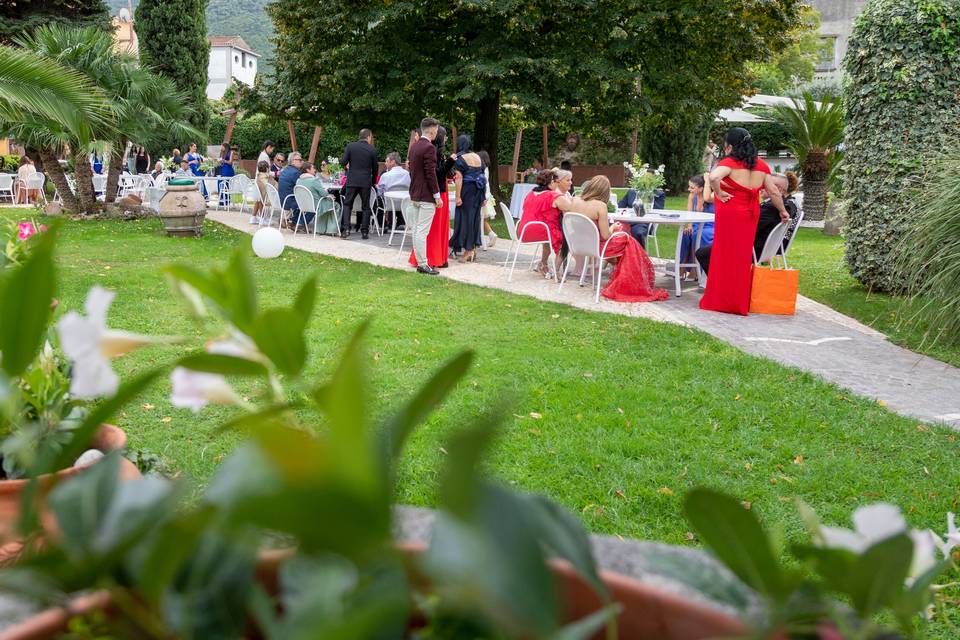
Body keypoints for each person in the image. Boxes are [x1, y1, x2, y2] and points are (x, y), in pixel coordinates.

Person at [697, 127, 789, 315]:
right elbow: (772, 191)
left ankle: (720, 300)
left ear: (730, 146)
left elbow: (713, 176)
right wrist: (782, 210)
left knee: (723, 256)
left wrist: (719, 192)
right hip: (749, 215)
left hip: (730, 213)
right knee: (741, 258)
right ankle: (738, 302)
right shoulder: (762, 166)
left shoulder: (729, 163)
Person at [567, 176, 669, 302]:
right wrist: (614, 228)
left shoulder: (575, 200)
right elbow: (605, 236)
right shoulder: (600, 206)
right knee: (629, 241)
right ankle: (630, 283)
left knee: (626, 243)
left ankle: (625, 279)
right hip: (596, 246)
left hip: (578, 244)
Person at [408, 125, 455, 269]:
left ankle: (438, 257)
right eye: (445, 136)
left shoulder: (423, 149)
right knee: (430, 228)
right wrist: (450, 163)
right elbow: (434, 174)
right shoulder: (430, 150)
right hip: (435, 192)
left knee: (436, 227)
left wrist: (449, 166)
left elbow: (445, 173)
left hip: (437, 191)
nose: (446, 139)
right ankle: (429, 260)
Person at [516, 169, 573, 277]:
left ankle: (543, 264)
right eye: (557, 182)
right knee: (565, 239)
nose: (557, 184)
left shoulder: (531, 193)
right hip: (539, 230)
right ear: (551, 182)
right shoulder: (552, 195)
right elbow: (571, 207)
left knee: (549, 235)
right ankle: (556, 271)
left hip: (523, 230)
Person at [406, 117, 443, 275]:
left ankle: (422, 263)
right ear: (432, 130)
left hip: (414, 193)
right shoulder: (429, 148)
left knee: (416, 230)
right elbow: (430, 174)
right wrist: (437, 195)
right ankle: (423, 264)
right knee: (421, 231)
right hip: (426, 196)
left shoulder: (414, 147)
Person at [450, 135, 486, 263]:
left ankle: (468, 250)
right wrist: (484, 195)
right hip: (478, 191)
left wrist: (458, 196)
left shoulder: (460, 159)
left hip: (467, 191)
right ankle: (473, 248)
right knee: (474, 219)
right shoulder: (478, 157)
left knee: (465, 220)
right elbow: (482, 176)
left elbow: (459, 178)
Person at [339, 128, 379, 239]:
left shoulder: (350, 146)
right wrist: (373, 182)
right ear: (369, 137)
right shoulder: (372, 150)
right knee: (366, 207)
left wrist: (347, 167)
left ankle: (346, 229)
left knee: (347, 205)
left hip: (352, 180)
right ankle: (364, 232)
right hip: (365, 182)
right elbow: (375, 169)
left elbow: (343, 162)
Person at [754, 171, 799, 259]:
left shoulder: (773, 207)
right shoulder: (788, 204)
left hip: (758, 248)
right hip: (774, 247)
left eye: (765, 185)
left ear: (778, 189)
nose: (761, 187)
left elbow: (751, 226)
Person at [678, 174, 714, 281]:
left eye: (692, 187)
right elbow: (689, 213)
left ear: (701, 188)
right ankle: (682, 267)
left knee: (696, 235)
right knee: (686, 233)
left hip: (710, 225)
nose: (689, 190)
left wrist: (708, 180)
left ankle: (695, 270)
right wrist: (689, 225)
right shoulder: (692, 196)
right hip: (696, 224)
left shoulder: (710, 197)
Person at [295, 162, 340, 234]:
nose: (315, 170)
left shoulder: (298, 180)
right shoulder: (314, 180)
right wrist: (329, 195)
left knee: (328, 203)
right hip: (317, 205)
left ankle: (320, 230)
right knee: (336, 205)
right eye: (313, 168)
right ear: (308, 170)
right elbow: (324, 193)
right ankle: (331, 230)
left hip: (304, 205)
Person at [278, 152, 304, 228]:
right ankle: (296, 223)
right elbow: (302, 187)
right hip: (291, 200)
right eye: (299, 160)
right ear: (293, 161)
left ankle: (287, 219)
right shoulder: (295, 172)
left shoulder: (284, 170)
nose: (301, 161)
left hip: (282, 199)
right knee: (310, 201)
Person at [478, 150, 497, 249]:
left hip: (484, 196)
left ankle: (491, 234)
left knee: (481, 219)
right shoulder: (486, 168)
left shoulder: (483, 169)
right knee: (483, 219)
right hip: (487, 195)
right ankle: (490, 235)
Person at [217, 142, 235, 208]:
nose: (221, 148)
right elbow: (220, 162)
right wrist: (219, 161)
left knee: (226, 185)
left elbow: (230, 162)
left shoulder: (231, 152)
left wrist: (224, 160)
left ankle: (227, 201)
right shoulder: (222, 153)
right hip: (221, 169)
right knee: (220, 183)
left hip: (228, 170)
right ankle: (221, 201)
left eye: (222, 146)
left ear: (225, 147)